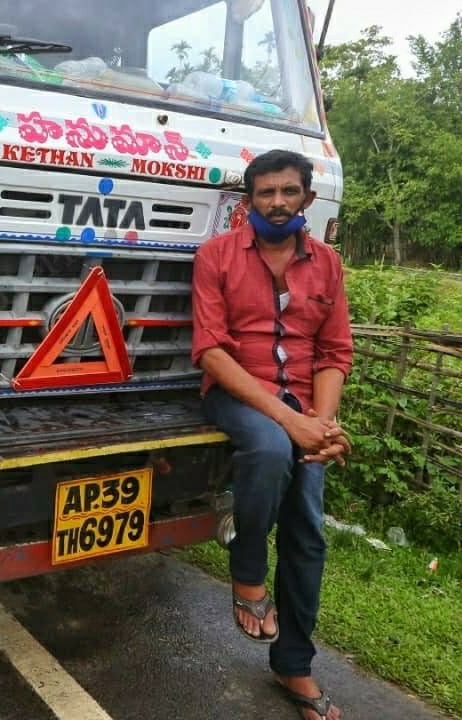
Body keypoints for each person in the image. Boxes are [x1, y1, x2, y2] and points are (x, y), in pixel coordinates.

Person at [191, 150, 353, 720]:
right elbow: (211, 349)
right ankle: (247, 570)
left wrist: (323, 426)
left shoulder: (327, 263)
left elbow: (334, 353)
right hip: (238, 395)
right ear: (248, 201)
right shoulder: (217, 256)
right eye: (266, 193)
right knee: (268, 444)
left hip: (307, 408)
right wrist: (293, 424)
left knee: (308, 535)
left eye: (289, 192)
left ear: (308, 198)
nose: (278, 203)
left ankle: (294, 665)